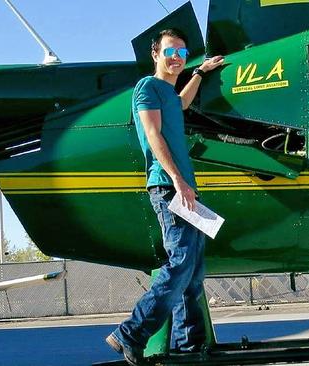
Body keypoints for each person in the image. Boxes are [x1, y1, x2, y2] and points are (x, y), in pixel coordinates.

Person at [105, 29, 224, 365]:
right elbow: (153, 135)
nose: (176, 58)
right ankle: (131, 332)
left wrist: (201, 71)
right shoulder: (147, 87)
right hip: (168, 186)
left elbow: (182, 102)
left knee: (193, 270)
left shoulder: (169, 95)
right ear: (155, 53)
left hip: (183, 187)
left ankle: (189, 344)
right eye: (171, 51)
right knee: (181, 262)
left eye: (182, 54)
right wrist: (178, 179)